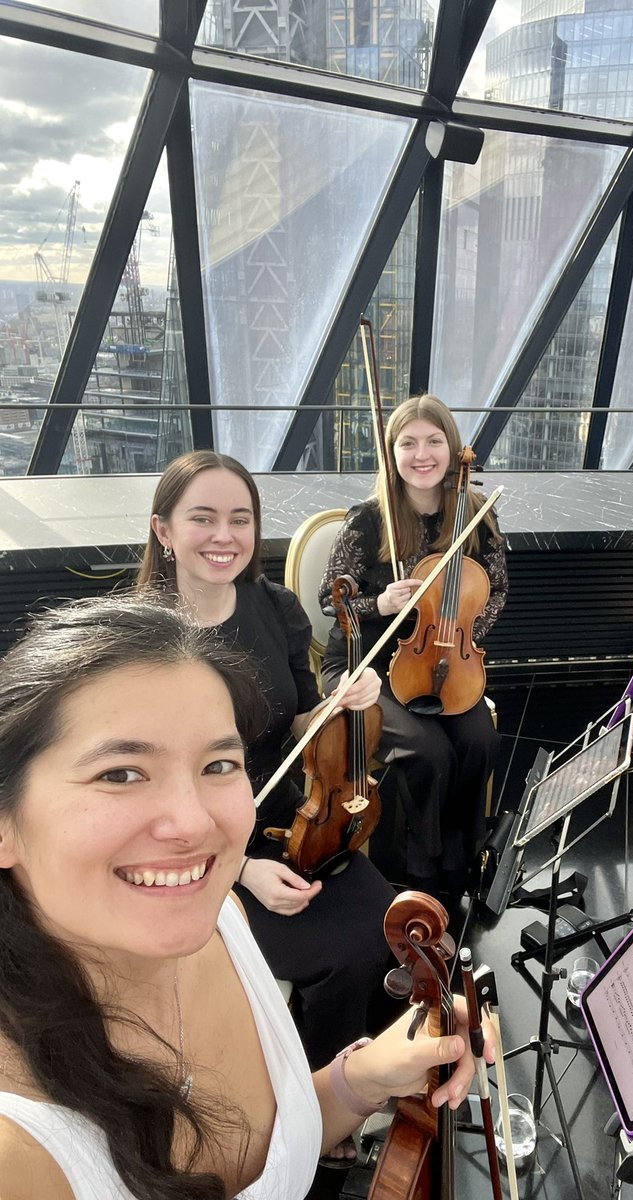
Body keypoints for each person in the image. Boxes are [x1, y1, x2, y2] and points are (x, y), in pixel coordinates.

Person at [0, 595, 488, 1199]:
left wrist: (362, 1079)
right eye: (120, 773)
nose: (193, 823)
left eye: (218, 765)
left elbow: (273, 1148)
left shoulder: (224, 923)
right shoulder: (15, 1155)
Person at [136, 451, 397, 1168]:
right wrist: (241, 869)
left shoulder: (274, 608)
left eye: (240, 519)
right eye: (203, 518)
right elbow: (150, 792)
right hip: (200, 853)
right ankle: (308, 1112)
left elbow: (294, 721)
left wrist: (338, 707)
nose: (224, 535)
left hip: (296, 821)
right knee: (339, 955)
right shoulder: (143, 641)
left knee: (387, 922)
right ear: (164, 530)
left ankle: (336, 1087)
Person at [319, 394, 508, 904]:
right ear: (391, 452)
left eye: (433, 441)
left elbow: (495, 593)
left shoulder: (475, 516)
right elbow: (328, 602)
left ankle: (462, 856)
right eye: (408, 443)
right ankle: (421, 872)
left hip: (439, 662)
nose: (421, 454)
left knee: (480, 742)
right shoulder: (368, 519)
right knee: (428, 752)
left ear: (451, 448)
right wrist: (380, 603)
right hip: (363, 666)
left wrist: (457, 632)